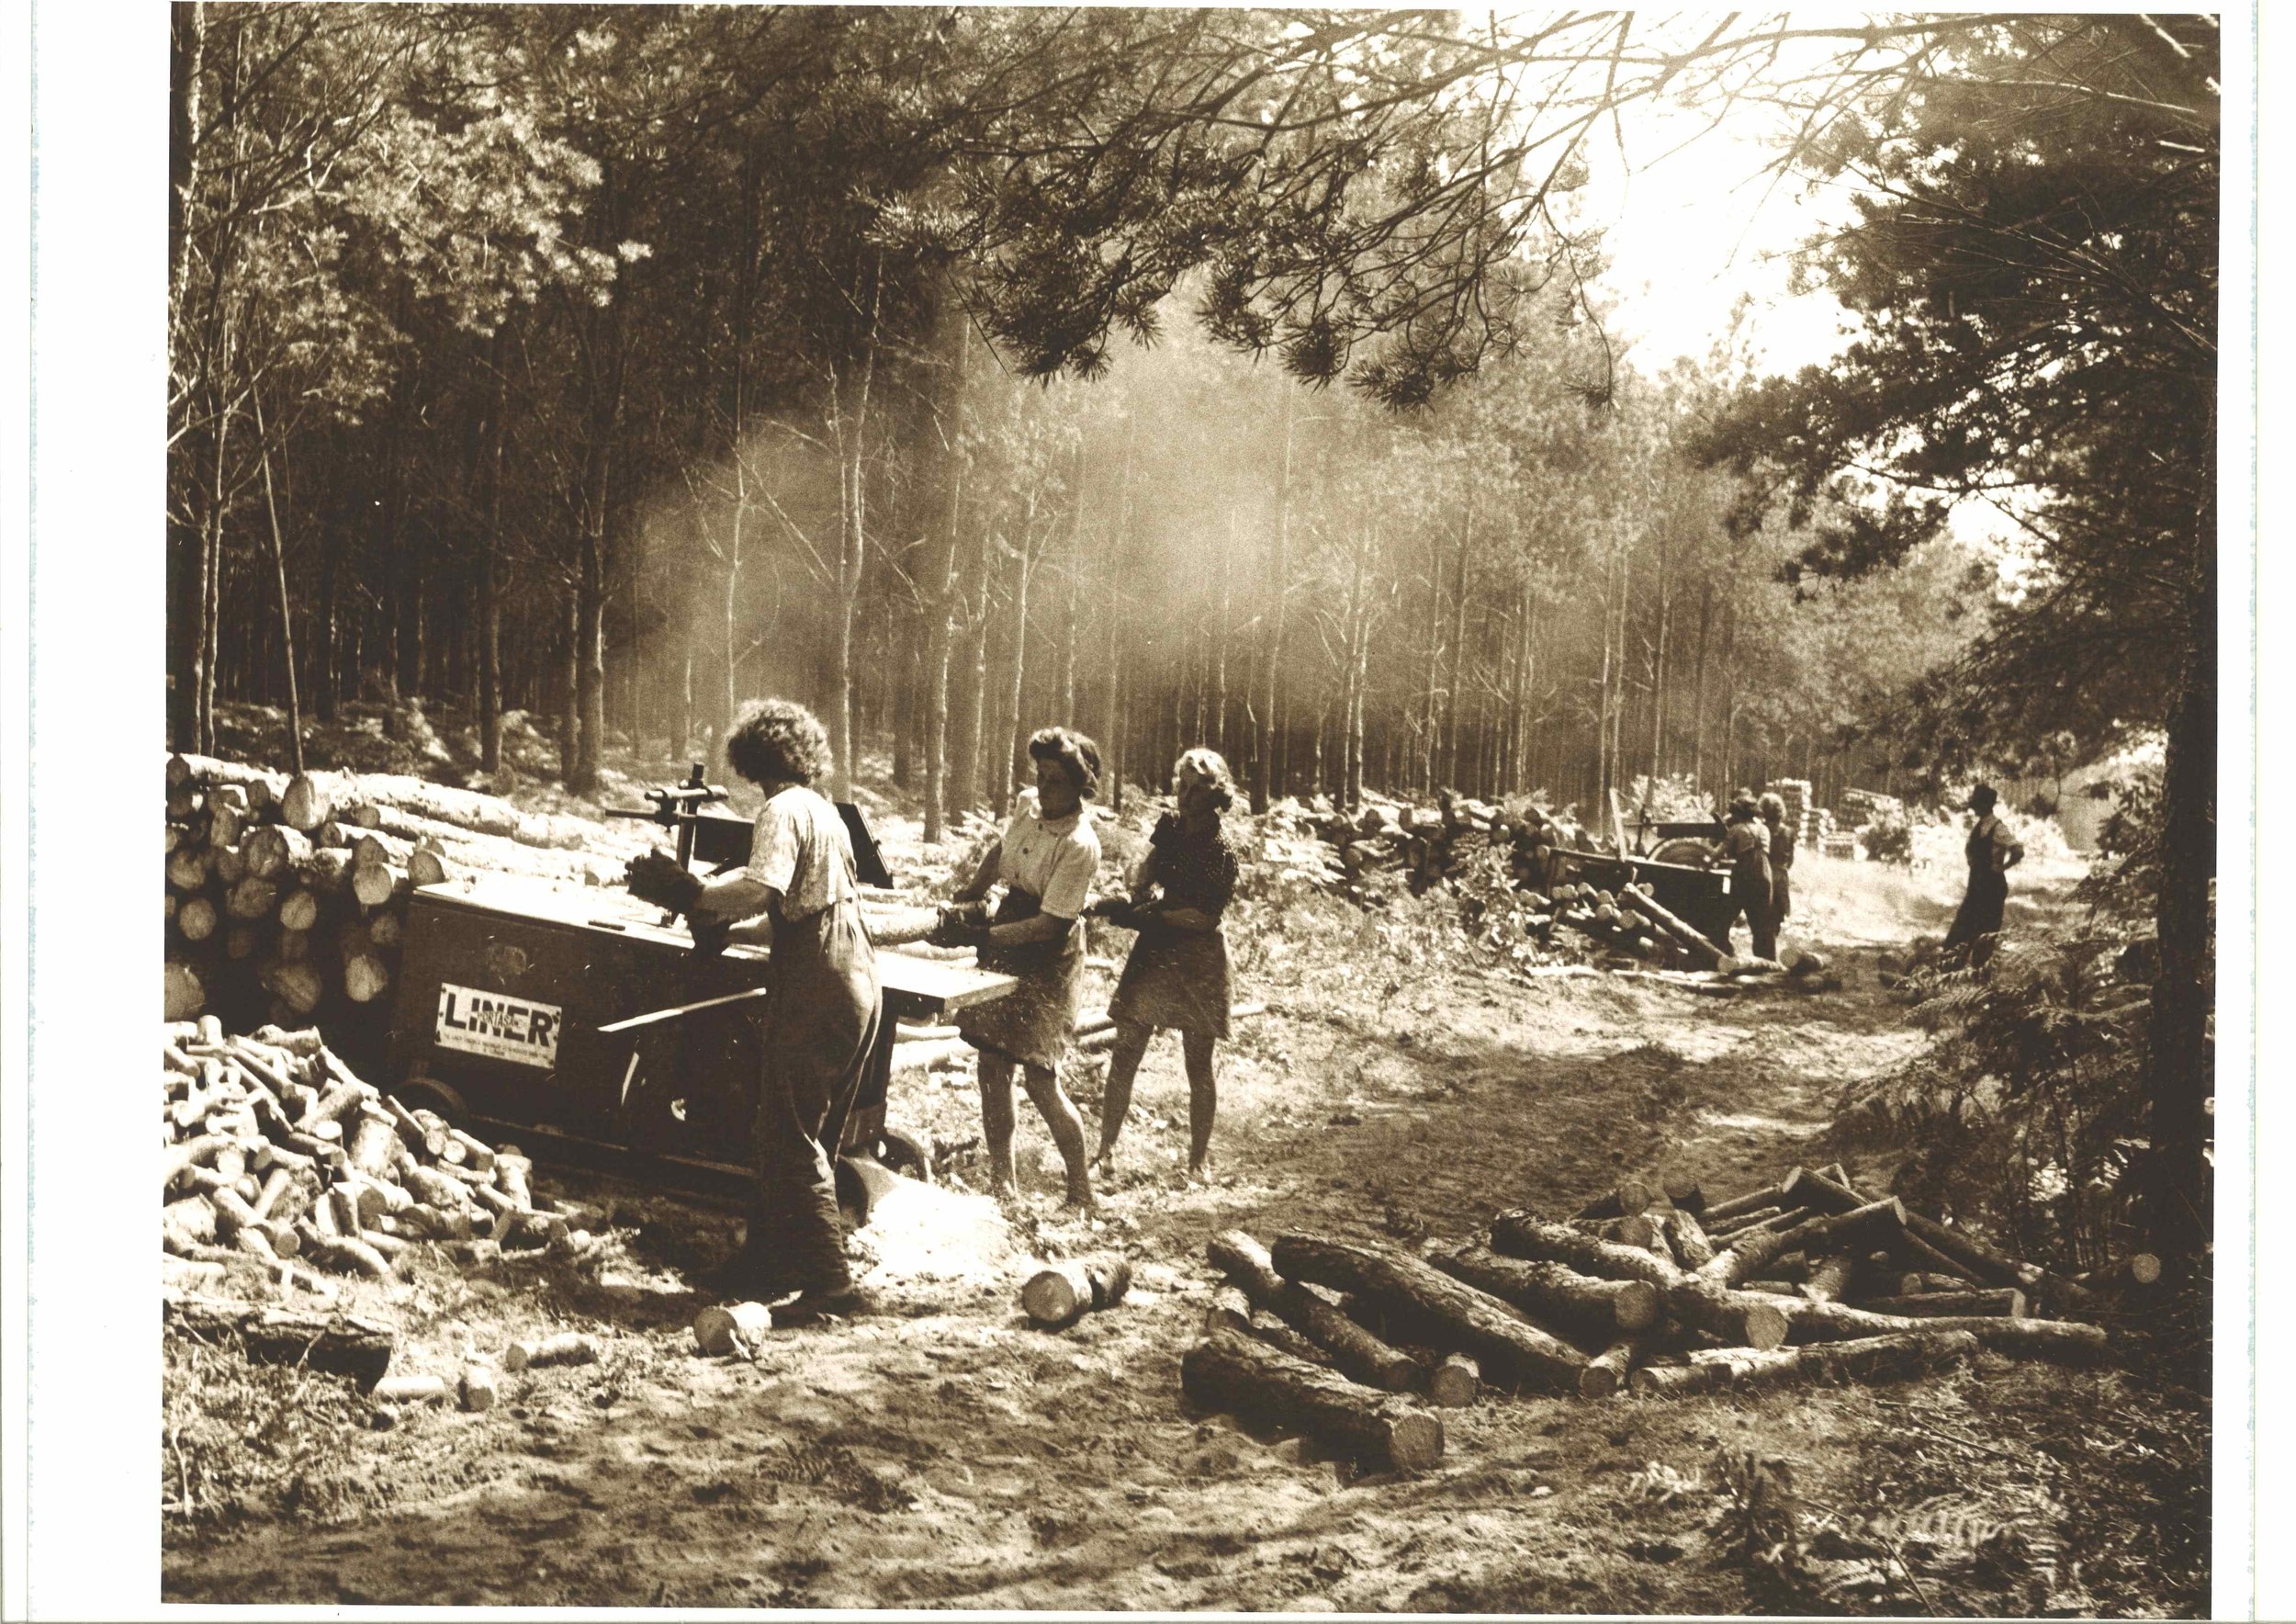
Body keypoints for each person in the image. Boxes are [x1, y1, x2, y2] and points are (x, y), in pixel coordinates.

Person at [641, 698, 881, 1318]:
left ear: (752, 759)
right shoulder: (827, 813)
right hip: (855, 974)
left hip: (819, 982)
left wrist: (695, 894)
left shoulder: (780, 810)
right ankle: (767, 1266)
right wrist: (720, 927)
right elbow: (798, 916)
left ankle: (831, 1285)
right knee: (807, 1135)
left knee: (786, 1136)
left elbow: (760, 890)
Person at [934, 727, 1103, 1208]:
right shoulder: (1028, 804)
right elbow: (1000, 852)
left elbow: (1050, 925)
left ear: (1079, 786)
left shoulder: (1080, 844)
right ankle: (1003, 1183)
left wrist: (980, 935)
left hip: (1048, 954)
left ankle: (1081, 1190)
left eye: (1056, 781)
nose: (1044, 788)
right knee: (992, 1066)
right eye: (1041, 775)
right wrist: (970, 892)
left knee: (1041, 1079)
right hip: (1010, 924)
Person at [1090, 748, 1244, 1183]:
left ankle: (1198, 1161)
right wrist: (1136, 888)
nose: (1185, 797)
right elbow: (1146, 876)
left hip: (1199, 956)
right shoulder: (1170, 828)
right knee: (1127, 1050)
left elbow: (1205, 917)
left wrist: (1154, 916)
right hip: (1158, 949)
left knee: (1198, 1062)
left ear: (1216, 796)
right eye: (1182, 786)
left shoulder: (1222, 852)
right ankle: (1105, 1152)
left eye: (1197, 790)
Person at [1941, 784, 2024, 969]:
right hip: (1976, 886)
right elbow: (1970, 850)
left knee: (1986, 933)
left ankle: (1980, 976)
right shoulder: (1979, 826)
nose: (1974, 808)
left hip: (1992, 888)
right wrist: (1972, 862)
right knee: (1962, 928)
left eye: (1978, 804)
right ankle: (1948, 970)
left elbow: (2018, 850)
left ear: (1987, 805)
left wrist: (2002, 867)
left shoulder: (1998, 828)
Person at [1720, 790, 1776, 962]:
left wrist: (1705, 863)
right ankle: (1767, 961)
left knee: (1723, 918)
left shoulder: (1736, 829)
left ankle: (1722, 953)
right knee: (1762, 922)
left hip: (1745, 875)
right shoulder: (1764, 829)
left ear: (1739, 814)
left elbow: (1719, 852)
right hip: (1765, 875)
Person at [1759, 791, 1795, 949]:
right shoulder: (1788, 831)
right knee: (1777, 913)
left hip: (1763, 872)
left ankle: (1765, 949)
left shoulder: (1761, 829)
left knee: (1762, 912)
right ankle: (1772, 942)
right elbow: (1790, 859)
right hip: (1780, 874)